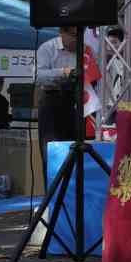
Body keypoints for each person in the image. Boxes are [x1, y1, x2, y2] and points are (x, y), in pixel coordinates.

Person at [35, 26, 79, 161]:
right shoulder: (48, 48)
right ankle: (52, 180)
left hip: (74, 100)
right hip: (51, 99)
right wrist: (63, 72)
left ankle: (72, 180)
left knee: (73, 146)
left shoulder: (85, 49)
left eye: (79, 36)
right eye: (73, 35)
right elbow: (38, 76)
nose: (75, 40)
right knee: (51, 147)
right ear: (62, 32)